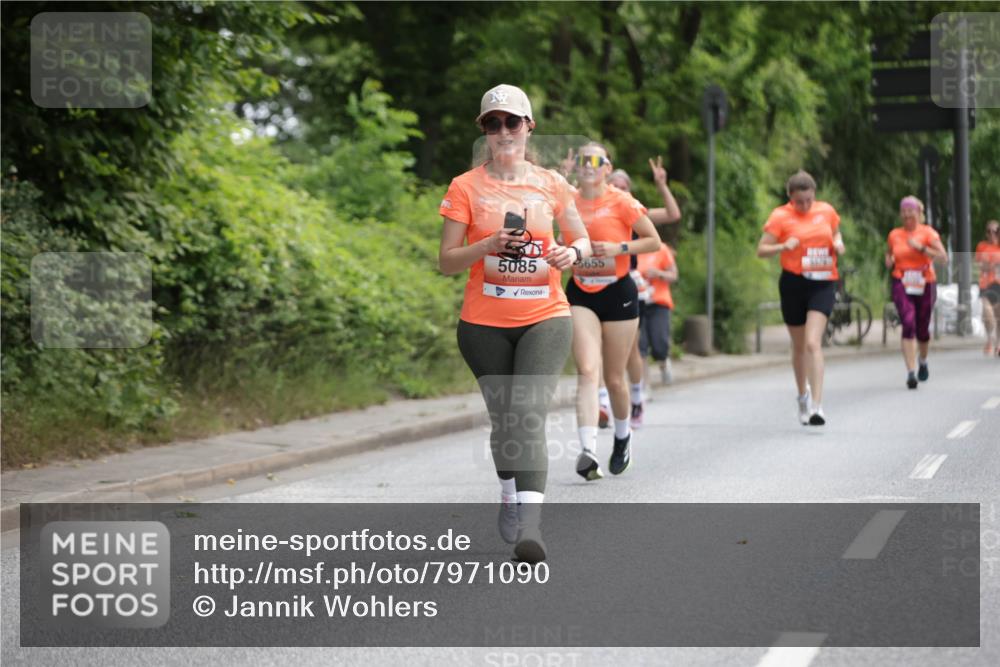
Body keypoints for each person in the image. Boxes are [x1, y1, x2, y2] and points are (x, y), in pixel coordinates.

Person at [438, 84, 591, 563]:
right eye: (492, 123)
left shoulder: (552, 183)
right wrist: (486, 246)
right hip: (482, 325)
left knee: (527, 415)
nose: (503, 130)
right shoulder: (465, 186)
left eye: (511, 121)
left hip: (546, 316)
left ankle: (531, 527)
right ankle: (509, 492)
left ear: (528, 127)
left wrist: (572, 253)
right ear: (484, 130)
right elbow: (446, 261)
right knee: (505, 422)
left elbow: (582, 240)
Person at [567, 143, 660, 480]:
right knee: (587, 370)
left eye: (596, 160)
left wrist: (618, 247)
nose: (588, 165)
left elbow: (653, 241)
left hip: (618, 292)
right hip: (581, 292)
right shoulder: (567, 201)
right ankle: (588, 451)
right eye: (583, 159)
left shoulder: (622, 201)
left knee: (615, 379)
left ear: (607, 168)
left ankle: (622, 438)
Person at [756, 170, 845, 426]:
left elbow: (836, 233)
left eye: (808, 200)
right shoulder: (780, 216)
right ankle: (802, 397)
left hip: (823, 282)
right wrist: (782, 246)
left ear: (814, 195)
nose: (804, 206)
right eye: (799, 202)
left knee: (812, 343)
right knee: (798, 346)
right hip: (793, 283)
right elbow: (761, 250)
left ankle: (817, 406)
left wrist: (838, 243)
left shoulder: (826, 211)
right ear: (790, 197)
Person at [608, 158, 682, 428]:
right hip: (597, 284)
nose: (619, 191)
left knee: (634, 347)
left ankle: (637, 395)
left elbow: (673, 214)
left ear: (629, 191)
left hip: (629, 284)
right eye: (614, 186)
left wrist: (662, 185)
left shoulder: (635, 212)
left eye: (623, 187)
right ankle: (604, 401)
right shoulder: (592, 211)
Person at [885, 196, 948, 388]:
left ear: (919, 213)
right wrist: (888, 259)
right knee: (908, 322)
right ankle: (911, 372)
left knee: (922, 329)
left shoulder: (928, 233)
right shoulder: (895, 234)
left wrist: (921, 248)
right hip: (901, 280)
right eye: (903, 211)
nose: (906, 215)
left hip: (925, 282)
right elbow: (889, 252)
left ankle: (923, 361)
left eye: (910, 211)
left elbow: (943, 257)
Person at [976, 220, 1000, 356]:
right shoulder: (982, 246)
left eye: (995, 231)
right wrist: (990, 266)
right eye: (988, 231)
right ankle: (990, 339)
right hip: (985, 284)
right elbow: (979, 265)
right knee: (987, 311)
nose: (991, 234)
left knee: (998, 316)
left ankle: (998, 344)